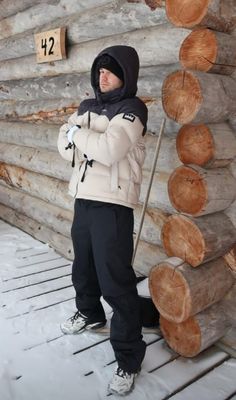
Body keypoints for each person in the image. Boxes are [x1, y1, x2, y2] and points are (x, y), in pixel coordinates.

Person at [57, 45, 148, 396]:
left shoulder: (132, 110)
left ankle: (128, 359)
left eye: (110, 71)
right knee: (83, 267)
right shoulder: (88, 108)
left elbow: (109, 151)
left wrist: (76, 132)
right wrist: (77, 137)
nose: (102, 76)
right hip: (84, 199)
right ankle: (90, 314)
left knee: (116, 281)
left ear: (126, 75)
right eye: (100, 71)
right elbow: (63, 148)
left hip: (113, 204)